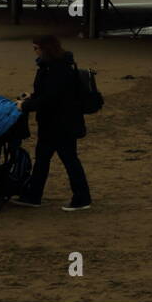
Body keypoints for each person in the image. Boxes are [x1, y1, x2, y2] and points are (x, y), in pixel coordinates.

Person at [13, 35, 92, 211]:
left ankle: (81, 198)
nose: (35, 51)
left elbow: (51, 98)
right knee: (44, 159)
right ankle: (34, 196)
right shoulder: (52, 66)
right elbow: (46, 94)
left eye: (36, 48)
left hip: (61, 124)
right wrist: (31, 97)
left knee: (68, 160)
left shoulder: (57, 69)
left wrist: (26, 105)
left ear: (45, 49)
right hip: (54, 122)